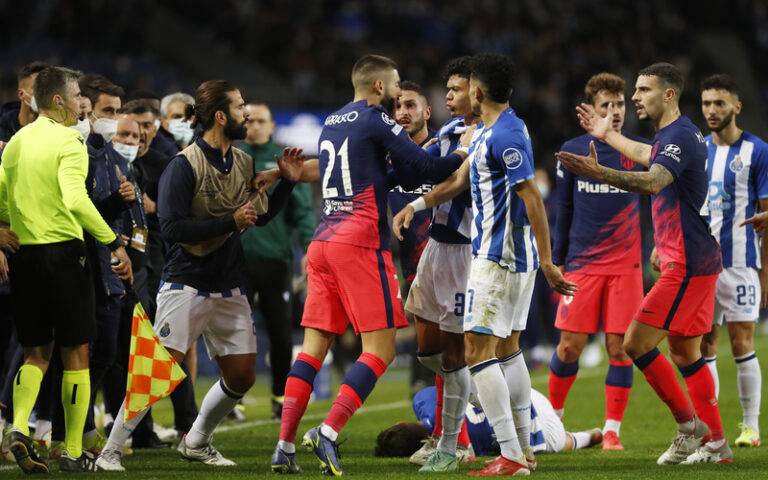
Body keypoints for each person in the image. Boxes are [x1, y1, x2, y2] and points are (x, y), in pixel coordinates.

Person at [270, 54, 472, 477]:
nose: (398, 94)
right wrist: (466, 154)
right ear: (379, 87)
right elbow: (429, 166)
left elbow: (350, 168)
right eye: (395, 85)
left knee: (312, 349)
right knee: (379, 350)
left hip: (322, 243)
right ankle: (327, 433)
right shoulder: (377, 119)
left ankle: (284, 446)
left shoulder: (332, 120)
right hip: (359, 244)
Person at [96, 79, 304, 471]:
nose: (246, 113)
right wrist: (230, 221)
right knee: (159, 371)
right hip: (185, 281)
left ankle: (196, 440)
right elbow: (173, 229)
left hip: (228, 282)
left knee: (241, 376)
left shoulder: (242, 162)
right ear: (222, 116)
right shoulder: (183, 164)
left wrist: (287, 185)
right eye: (241, 106)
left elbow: (257, 218)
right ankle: (111, 449)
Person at [393, 52, 576, 476]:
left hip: (500, 258)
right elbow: (458, 180)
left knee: (476, 353)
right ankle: (524, 450)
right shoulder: (491, 131)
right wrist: (416, 205)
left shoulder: (505, 136)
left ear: (477, 89)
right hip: (503, 258)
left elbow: (533, 199)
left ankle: (511, 455)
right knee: (509, 354)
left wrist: (548, 263)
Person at [556, 62, 731, 464]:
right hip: (689, 260)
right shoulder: (672, 135)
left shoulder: (681, 135)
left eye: (643, 90)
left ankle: (691, 429)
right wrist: (610, 136)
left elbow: (652, 180)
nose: (635, 97)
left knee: (634, 342)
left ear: (668, 94)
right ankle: (716, 442)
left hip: (688, 264)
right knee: (685, 353)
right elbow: (647, 155)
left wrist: (601, 170)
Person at [0, 65, 132, 473]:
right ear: (58, 100)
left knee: (36, 354)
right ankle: (73, 452)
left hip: (24, 257)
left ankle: (18, 427)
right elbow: (76, 200)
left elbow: (2, 194)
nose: (82, 104)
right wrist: (113, 243)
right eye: (77, 97)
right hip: (64, 256)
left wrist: (3, 228)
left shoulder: (17, 142)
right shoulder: (69, 141)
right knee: (76, 355)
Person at [549, 73, 647, 451]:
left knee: (620, 348)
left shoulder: (638, 150)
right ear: (590, 109)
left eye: (620, 104)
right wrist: (556, 261)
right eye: (607, 105)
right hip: (581, 264)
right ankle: (553, 420)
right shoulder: (572, 150)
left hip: (626, 266)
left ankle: (612, 431)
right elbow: (564, 208)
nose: (615, 111)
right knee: (569, 347)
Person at [392, 59, 479, 472]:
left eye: (456, 89)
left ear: (476, 92)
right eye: (446, 89)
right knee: (429, 350)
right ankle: (472, 390)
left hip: (467, 252)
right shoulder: (446, 132)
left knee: (453, 355)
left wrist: (413, 203)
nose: (449, 95)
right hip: (435, 249)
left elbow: (455, 182)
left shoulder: (489, 135)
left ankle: (455, 444)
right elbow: (422, 166)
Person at [698, 73, 766, 448]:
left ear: (736, 107)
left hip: (741, 263)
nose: (711, 110)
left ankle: (750, 427)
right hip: (704, 265)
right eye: (706, 103)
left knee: (742, 343)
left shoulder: (758, 151)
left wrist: (767, 273)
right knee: (705, 344)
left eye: (719, 103)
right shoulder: (698, 150)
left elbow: (767, 218)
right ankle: (713, 429)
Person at [239, 102, 316, 419]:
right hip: (237, 261)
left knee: (281, 334)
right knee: (236, 335)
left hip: (276, 261)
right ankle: (234, 401)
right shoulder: (231, 158)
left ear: (272, 126)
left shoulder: (283, 162)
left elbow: (303, 211)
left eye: (261, 121)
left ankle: (279, 396)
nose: (254, 126)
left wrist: (310, 248)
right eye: (250, 121)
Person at [409, 387, 603, 457]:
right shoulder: (423, 399)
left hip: (539, 432)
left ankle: (583, 438)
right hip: (523, 395)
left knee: (561, 442)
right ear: (402, 423)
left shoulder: (460, 448)